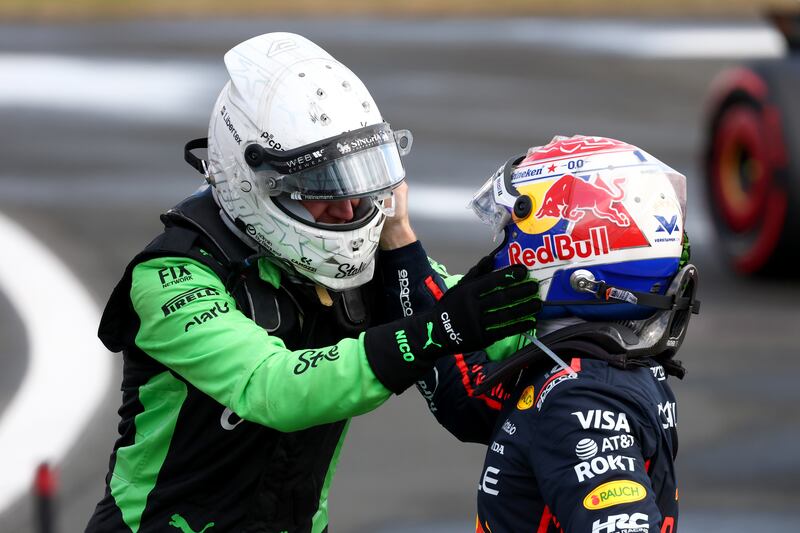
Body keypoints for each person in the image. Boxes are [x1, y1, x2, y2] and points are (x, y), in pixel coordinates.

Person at [85, 33, 541, 533]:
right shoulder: (171, 276)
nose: (348, 209)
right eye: (324, 186)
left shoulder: (359, 260)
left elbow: (486, 319)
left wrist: (602, 298)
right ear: (250, 179)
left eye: (360, 179)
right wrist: (437, 330)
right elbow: (273, 388)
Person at [412, 135, 700, 533]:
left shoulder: (580, 398)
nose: (501, 247)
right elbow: (465, 397)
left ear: (570, 251)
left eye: (513, 229)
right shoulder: (596, 358)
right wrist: (399, 256)